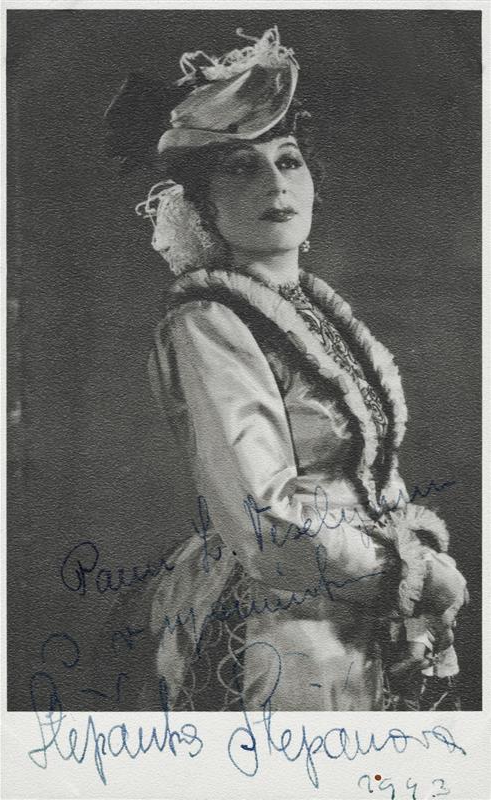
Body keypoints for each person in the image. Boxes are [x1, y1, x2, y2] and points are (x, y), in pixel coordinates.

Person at [105, 26, 468, 712]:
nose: (275, 183)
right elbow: (265, 523)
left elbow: (367, 476)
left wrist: (417, 568)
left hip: (365, 612)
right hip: (281, 622)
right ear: (203, 204)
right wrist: (408, 576)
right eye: (242, 168)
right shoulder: (208, 322)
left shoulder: (315, 312)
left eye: (289, 160)